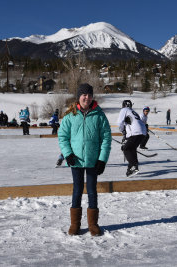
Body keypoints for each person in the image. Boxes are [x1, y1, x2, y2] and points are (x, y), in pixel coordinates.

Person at [58, 83, 112, 236]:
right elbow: (63, 137)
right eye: (83, 95)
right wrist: (68, 154)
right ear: (78, 97)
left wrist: (102, 160)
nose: (86, 98)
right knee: (77, 191)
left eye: (89, 95)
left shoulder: (99, 116)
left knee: (92, 191)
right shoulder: (70, 115)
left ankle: (93, 224)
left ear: (92, 97)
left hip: (93, 160)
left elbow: (106, 138)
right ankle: (75, 224)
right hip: (76, 160)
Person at [118, 99, 147, 177]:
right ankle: (131, 168)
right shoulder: (133, 111)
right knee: (132, 149)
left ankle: (134, 166)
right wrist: (126, 135)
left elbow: (120, 122)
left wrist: (123, 131)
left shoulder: (124, 110)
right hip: (143, 132)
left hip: (135, 132)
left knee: (126, 149)